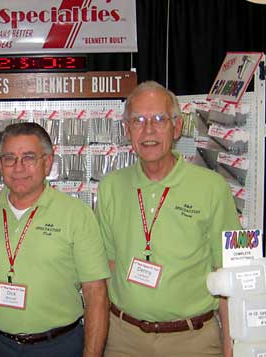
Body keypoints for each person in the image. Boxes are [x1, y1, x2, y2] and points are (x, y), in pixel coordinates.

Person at [96, 81, 241, 357]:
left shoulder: (211, 187)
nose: (148, 130)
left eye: (159, 119)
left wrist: (230, 347)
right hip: (124, 340)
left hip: (192, 341)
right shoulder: (110, 187)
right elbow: (108, 269)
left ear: (177, 127)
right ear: (127, 130)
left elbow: (228, 272)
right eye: (138, 120)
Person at [0, 122, 110, 357]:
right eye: (9, 158)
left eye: (29, 157)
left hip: (58, 346)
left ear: (48, 162)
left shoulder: (76, 215)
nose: (18, 167)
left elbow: (96, 293)